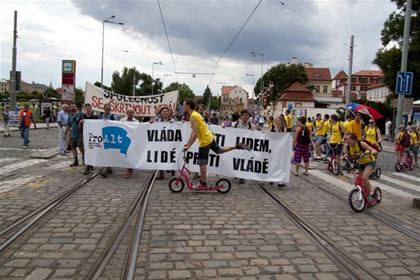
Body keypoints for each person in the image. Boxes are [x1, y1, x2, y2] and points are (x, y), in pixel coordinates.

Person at [183, 99, 250, 189]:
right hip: (209, 137)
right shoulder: (196, 114)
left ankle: (203, 183)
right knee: (219, 150)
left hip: (205, 141)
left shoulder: (193, 116)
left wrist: (188, 145)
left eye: (184, 105)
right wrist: (188, 144)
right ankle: (237, 146)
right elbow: (196, 131)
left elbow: (195, 133)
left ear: (188, 105)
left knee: (202, 163)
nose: (183, 106)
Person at [344, 132, 378, 200]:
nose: (346, 141)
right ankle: (363, 191)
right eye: (345, 139)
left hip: (369, 162)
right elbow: (347, 155)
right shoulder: (347, 146)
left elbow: (375, 151)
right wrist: (344, 157)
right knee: (357, 182)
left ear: (354, 139)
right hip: (359, 163)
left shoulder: (360, 143)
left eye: (348, 139)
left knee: (364, 177)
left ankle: (369, 195)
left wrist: (370, 152)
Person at [234, 109, 254, 184]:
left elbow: (256, 135)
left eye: (247, 115)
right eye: (245, 115)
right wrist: (223, 126)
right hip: (238, 145)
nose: (246, 117)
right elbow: (228, 128)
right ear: (241, 116)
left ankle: (242, 176)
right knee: (237, 159)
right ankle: (236, 172)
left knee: (244, 160)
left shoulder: (251, 125)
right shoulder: (236, 124)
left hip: (246, 146)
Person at [99, 103, 118, 178]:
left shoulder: (114, 117)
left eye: (109, 109)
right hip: (102, 137)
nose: (108, 111)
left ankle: (106, 169)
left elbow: (118, 124)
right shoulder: (100, 117)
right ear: (104, 109)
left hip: (111, 137)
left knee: (109, 152)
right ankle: (109, 167)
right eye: (107, 109)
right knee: (104, 152)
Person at [121, 108, 139, 178]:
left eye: (132, 112)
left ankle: (129, 169)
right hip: (124, 139)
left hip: (132, 140)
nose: (130, 114)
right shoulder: (122, 120)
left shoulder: (136, 121)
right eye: (129, 112)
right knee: (125, 153)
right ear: (126, 113)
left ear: (133, 113)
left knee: (130, 154)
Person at [80, 103, 97, 175]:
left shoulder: (95, 117)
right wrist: (81, 123)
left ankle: (90, 164)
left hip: (93, 136)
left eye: (89, 108)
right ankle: (87, 164)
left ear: (91, 109)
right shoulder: (82, 117)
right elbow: (79, 127)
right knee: (85, 149)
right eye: (87, 108)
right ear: (85, 109)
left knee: (92, 149)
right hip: (85, 136)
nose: (88, 110)